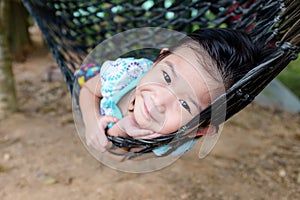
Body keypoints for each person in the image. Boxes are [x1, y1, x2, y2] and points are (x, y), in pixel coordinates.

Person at [75, 28, 275, 160]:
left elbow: (119, 156)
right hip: (96, 78)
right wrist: (93, 121)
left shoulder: (170, 143)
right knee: (81, 74)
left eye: (185, 104)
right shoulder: (123, 76)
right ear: (158, 60)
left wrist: (121, 131)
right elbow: (88, 91)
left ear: (198, 129)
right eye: (167, 77)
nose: (160, 101)